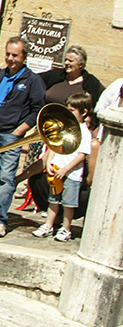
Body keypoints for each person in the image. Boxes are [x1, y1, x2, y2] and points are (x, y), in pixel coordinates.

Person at [0, 37, 46, 238]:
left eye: (15, 55)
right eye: (8, 54)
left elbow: (37, 109)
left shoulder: (32, 80)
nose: (10, 58)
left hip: (11, 135)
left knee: (6, 177)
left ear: (24, 57)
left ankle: (0, 219)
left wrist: (20, 130)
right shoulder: (1, 74)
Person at [32, 92, 93, 242]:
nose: (68, 113)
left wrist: (66, 169)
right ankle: (48, 226)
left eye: (72, 110)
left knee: (68, 203)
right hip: (56, 169)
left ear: (83, 112)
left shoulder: (85, 133)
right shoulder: (63, 127)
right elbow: (54, 145)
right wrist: (49, 163)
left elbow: (82, 155)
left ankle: (66, 228)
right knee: (53, 200)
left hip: (71, 174)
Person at [40, 45, 104, 108]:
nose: (66, 63)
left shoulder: (91, 83)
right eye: (65, 60)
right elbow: (35, 80)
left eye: (70, 61)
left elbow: (105, 99)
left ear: (81, 64)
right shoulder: (55, 75)